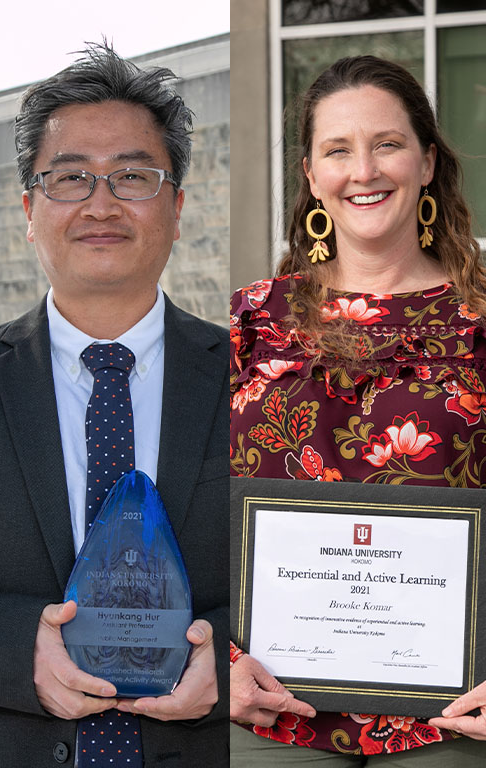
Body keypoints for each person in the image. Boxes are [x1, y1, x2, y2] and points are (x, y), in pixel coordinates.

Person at [0, 43, 229, 767]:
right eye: (70, 177)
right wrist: (15, 652)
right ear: (29, 210)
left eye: (132, 175)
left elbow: (305, 576)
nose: (101, 202)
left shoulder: (256, 375)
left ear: (177, 208)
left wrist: (232, 653)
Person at [230, 55, 486, 765]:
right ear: (312, 177)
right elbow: (185, 495)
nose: (364, 171)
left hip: (454, 716)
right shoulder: (249, 321)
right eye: (338, 150)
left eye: (388, 145)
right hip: (269, 710)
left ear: (428, 163)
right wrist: (216, 655)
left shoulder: (481, 317)